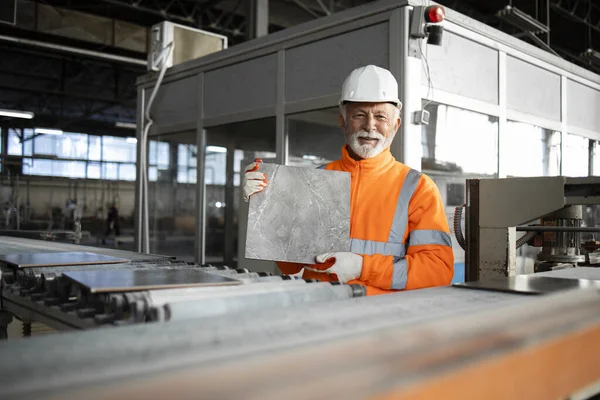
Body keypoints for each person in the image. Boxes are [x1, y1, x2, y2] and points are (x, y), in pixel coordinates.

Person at [242, 65, 454, 296]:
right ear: (343, 123)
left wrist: (363, 268)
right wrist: (264, 203)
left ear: (396, 124)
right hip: (320, 311)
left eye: (381, 116)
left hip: (383, 320)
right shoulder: (314, 181)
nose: (370, 126)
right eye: (359, 115)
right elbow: (290, 264)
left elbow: (437, 271)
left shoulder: (418, 188)